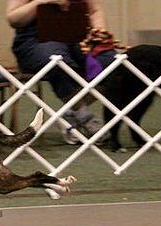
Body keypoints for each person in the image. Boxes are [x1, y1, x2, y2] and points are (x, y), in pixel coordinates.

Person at [6, 0, 115, 144]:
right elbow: (13, 18)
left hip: (77, 38)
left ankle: (72, 112)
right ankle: (84, 116)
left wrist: (98, 32)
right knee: (58, 60)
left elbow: (95, 11)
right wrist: (41, 2)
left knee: (109, 62)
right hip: (35, 41)